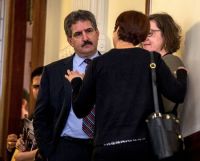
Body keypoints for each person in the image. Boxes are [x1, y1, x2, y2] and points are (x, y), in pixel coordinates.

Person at [66, 10, 187, 161]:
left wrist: (76, 82)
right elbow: (177, 94)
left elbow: (80, 109)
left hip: (107, 148)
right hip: (144, 147)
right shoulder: (152, 59)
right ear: (142, 35)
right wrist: (182, 74)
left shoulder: (98, 64)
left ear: (117, 30)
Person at [33, 10, 100, 161]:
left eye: (89, 31)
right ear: (70, 40)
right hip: (66, 149)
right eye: (78, 34)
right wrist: (48, 152)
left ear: (97, 33)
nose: (85, 38)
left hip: (102, 149)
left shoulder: (111, 68)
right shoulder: (53, 71)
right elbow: (41, 116)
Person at [142, 12, 185, 113]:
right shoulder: (152, 62)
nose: (144, 38)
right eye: (143, 34)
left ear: (166, 34)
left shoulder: (171, 61)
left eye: (150, 33)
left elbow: (167, 104)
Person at [9, 66, 44, 161]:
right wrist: (15, 145)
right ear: (31, 88)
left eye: (43, 85)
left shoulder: (59, 113)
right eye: (36, 86)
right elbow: (24, 147)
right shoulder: (33, 116)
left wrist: (23, 156)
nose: (39, 90)